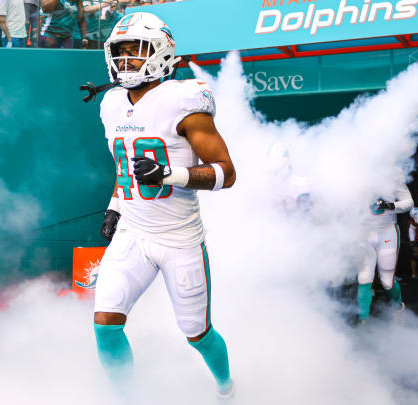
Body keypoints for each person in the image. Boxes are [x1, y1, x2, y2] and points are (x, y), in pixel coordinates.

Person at [94, 12, 235, 399]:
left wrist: (170, 175)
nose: (124, 61)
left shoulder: (184, 98)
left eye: (135, 51)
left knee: (197, 334)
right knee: (105, 323)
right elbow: (126, 168)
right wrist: (115, 205)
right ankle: (126, 397)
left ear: (161, 53)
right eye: (119, 52)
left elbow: (226, 173)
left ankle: (227, 388)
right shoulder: (110, 103)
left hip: (179, 240)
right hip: (133, 234)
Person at [357, 184, 413, 322]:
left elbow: (409, 203)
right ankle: (363, 318)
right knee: (364, 277)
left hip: (387, 232)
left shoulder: (392, 175)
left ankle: (398, 307)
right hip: (363, 232)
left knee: (387, 281)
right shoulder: (353, 171)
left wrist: (390, 206)